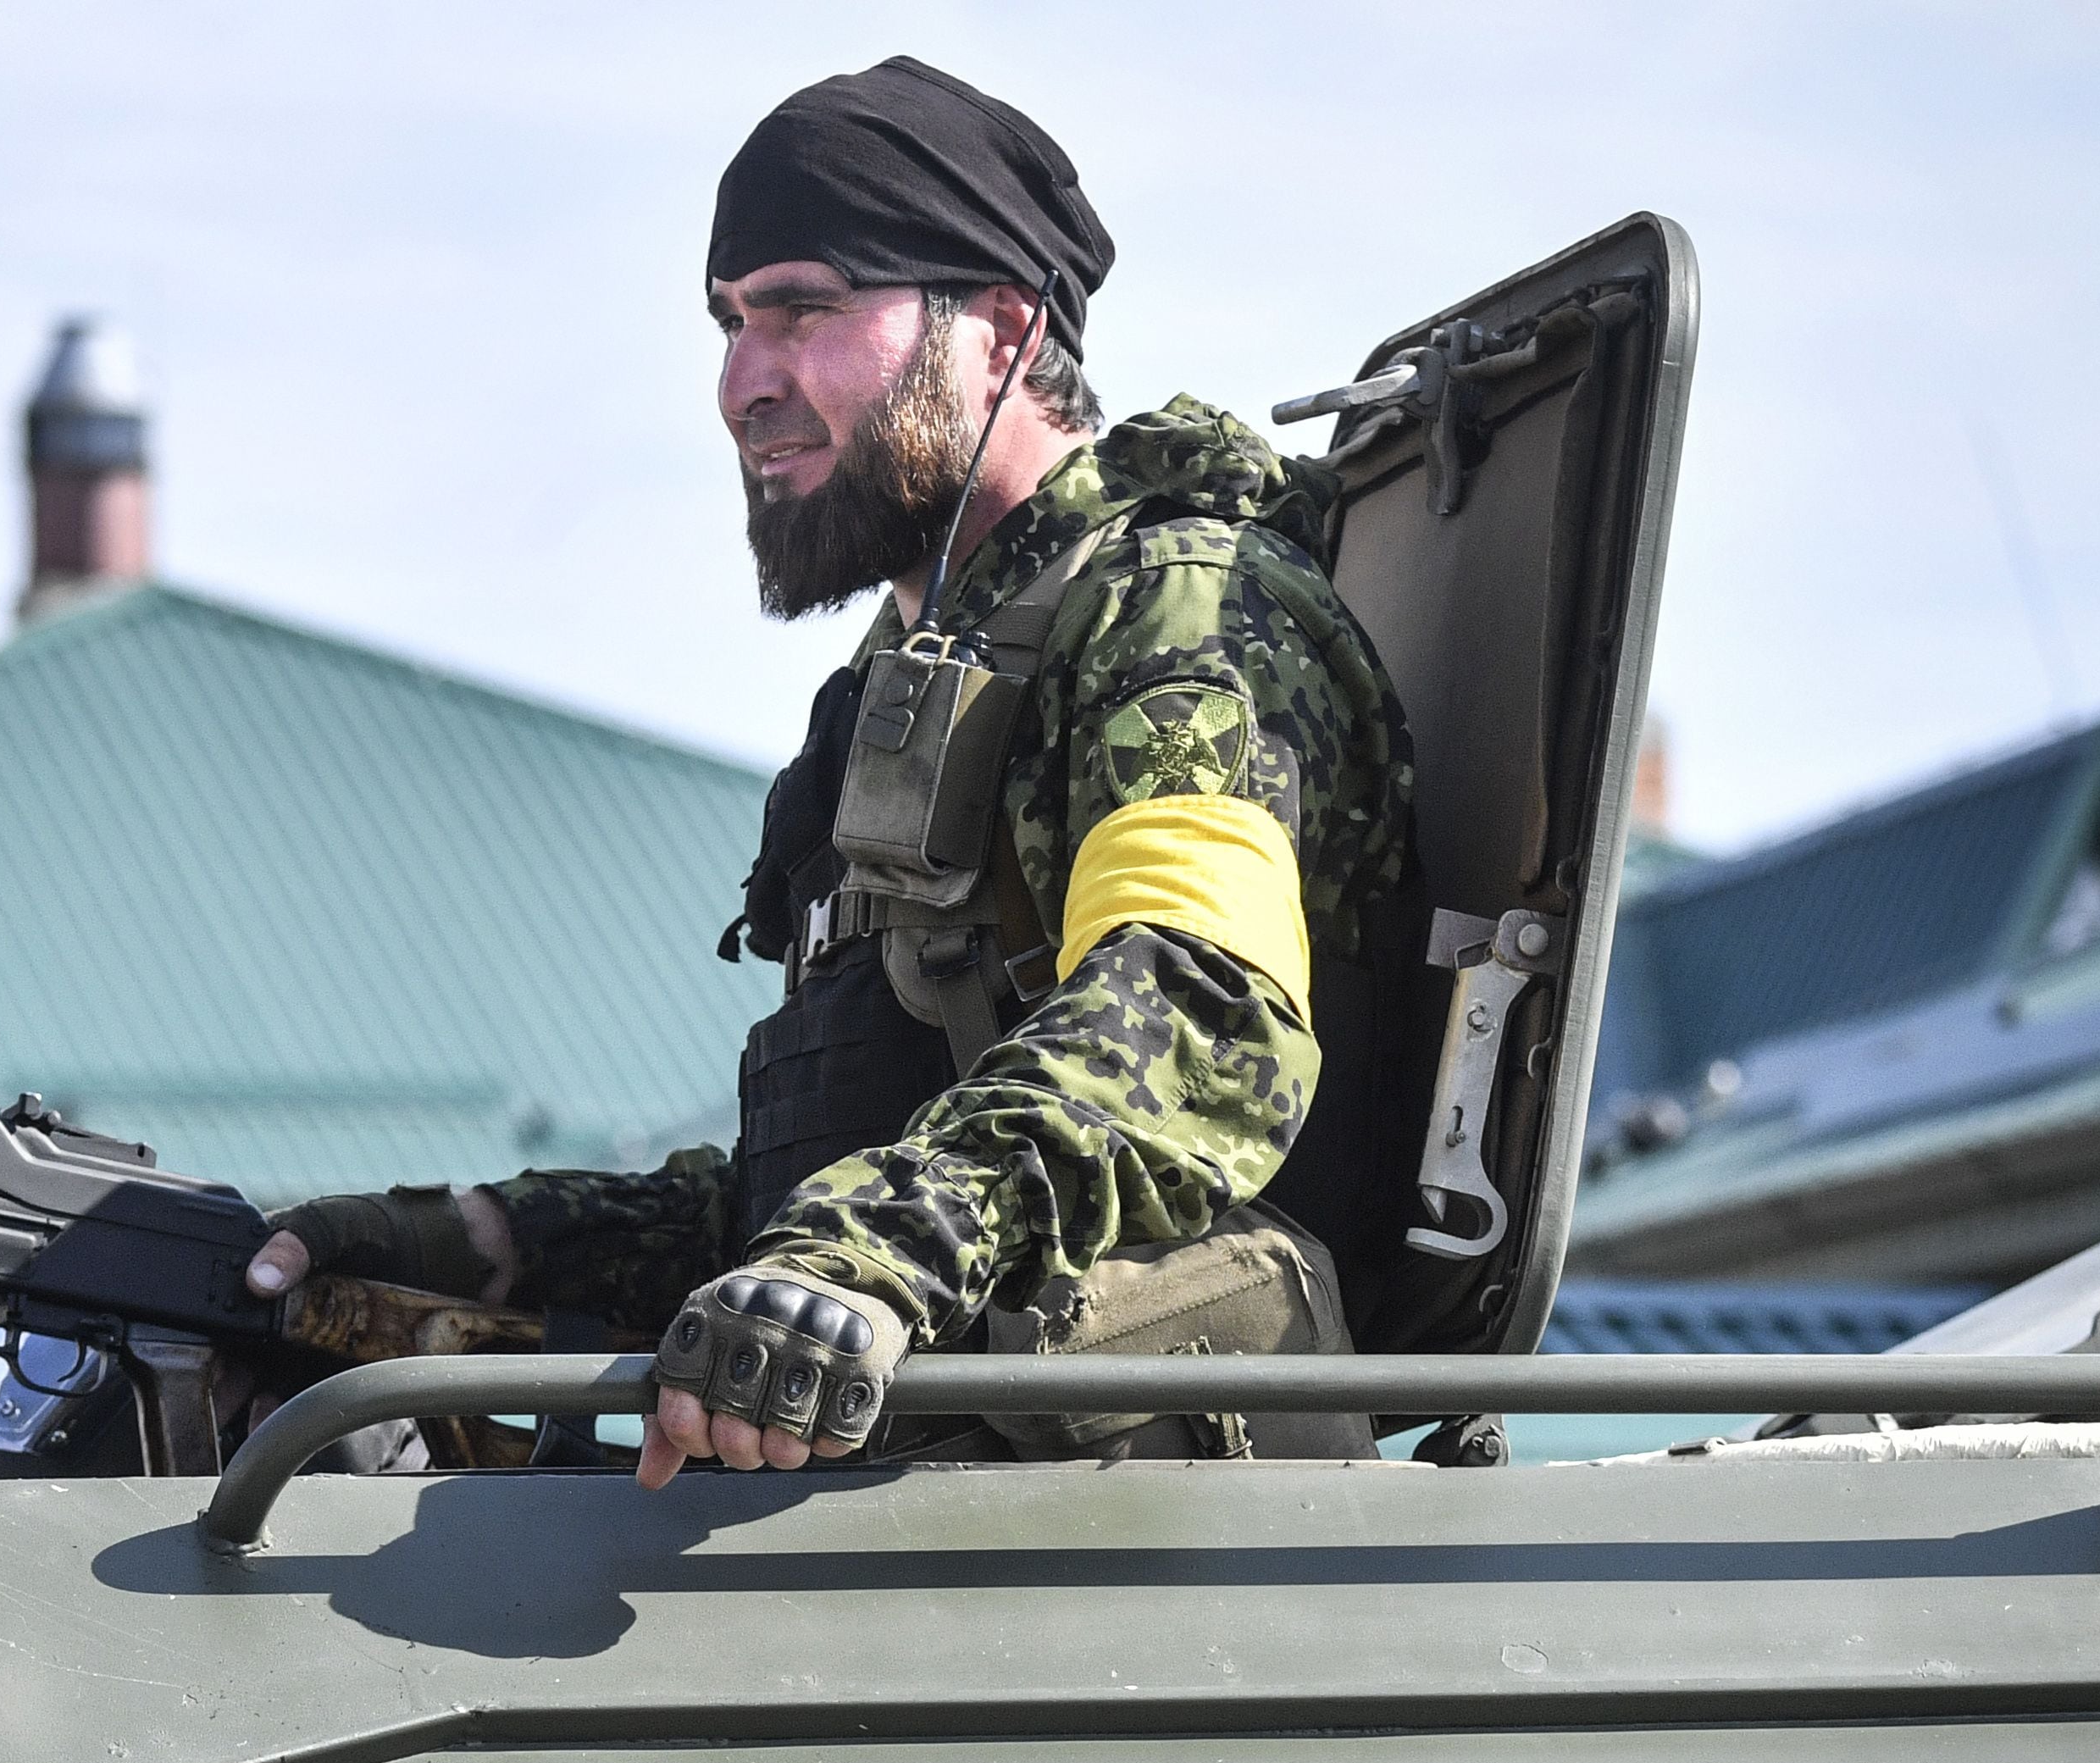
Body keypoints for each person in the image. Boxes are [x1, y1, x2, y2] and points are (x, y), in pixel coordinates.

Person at [246, 56, 1414, 1487]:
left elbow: (1195, 1015)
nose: (744, 384)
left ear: (995, 327)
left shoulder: (1181, 612)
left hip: (1120, 1508)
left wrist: (864, 1258)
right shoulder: (916, 673)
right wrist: (496, 1236)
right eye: (731, 323)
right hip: (912, 1452)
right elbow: (830, 1168)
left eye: (803, 311)